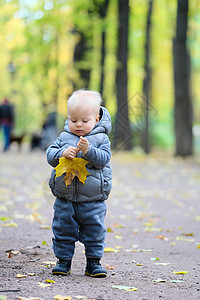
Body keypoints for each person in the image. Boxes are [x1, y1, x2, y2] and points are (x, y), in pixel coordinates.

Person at [46, 90, 112, 278]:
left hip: (93, 199)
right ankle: (63, 261)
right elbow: (50, 155)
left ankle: (93, 263)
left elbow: (104, 159)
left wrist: (89, 150)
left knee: (94, 231)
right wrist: (61, 153)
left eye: (84, 120)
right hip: (65, 197)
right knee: (62, 229)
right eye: (73, 120)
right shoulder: (64, 138)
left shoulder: (101, 139)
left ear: (97, 119)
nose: (78, 125)